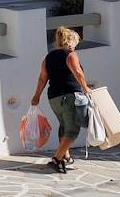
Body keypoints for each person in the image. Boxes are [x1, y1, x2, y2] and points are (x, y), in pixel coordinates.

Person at [31, 26, 92, 173]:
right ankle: (56, 159)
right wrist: (86, 88)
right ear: (71, 42)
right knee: (72, 129)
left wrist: (36, 96)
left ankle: (66, 156)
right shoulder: (71, 54)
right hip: (69, 95)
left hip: (54, 98)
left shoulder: (48, 57)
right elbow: (77, 72)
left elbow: (42, 78)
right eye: (76, 43)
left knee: (64, 125)